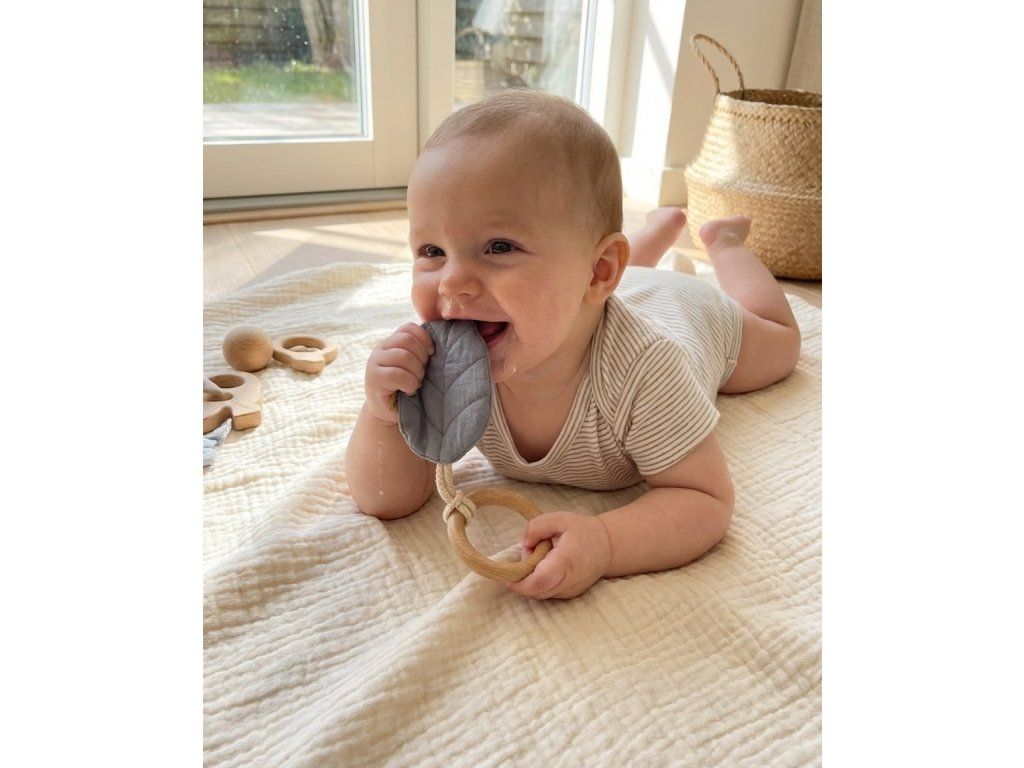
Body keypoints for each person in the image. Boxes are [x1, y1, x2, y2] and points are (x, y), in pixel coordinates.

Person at [344, 89, 801, 600]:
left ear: (600, 270)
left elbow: (705, 499)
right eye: (432, 250)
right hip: (601, 291)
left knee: (782, 344)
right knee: (584, 287)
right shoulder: (444, 367)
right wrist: (383, 415)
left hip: (687, 311)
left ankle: (725, 243)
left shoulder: (646, 370)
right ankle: (656, 232)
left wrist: (606, 541)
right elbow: (383, 498)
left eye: (498, 247)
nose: (452, 282)